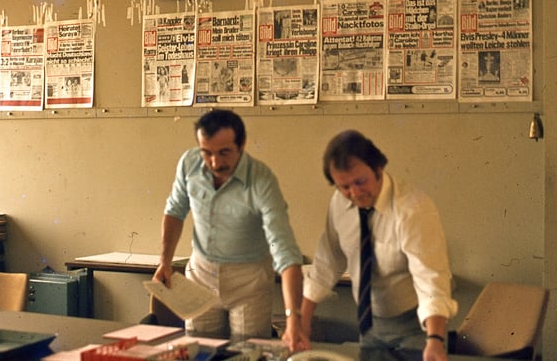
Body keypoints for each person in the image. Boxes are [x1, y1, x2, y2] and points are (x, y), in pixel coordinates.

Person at [153, 109, 310, 352]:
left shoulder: (261, 180)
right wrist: (165, 261)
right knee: (199, 352)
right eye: (207, 152)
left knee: (246, 354)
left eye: (224, 152)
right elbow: (175, 211)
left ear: (242, 145)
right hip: (201, 274)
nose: (215, 162)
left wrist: (294, 318)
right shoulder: (189, 164)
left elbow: (285, 250)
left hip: (249, 280)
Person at [300, 130, 457, 361]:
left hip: (415, 326)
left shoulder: (412, 209)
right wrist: (301, 322)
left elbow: (430, 279)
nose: (354, 193)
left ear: (379, 168)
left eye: (360, 182)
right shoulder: (339, 203)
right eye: (343, 187)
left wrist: (434, 340)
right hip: (369, 324)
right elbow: (327, 263)